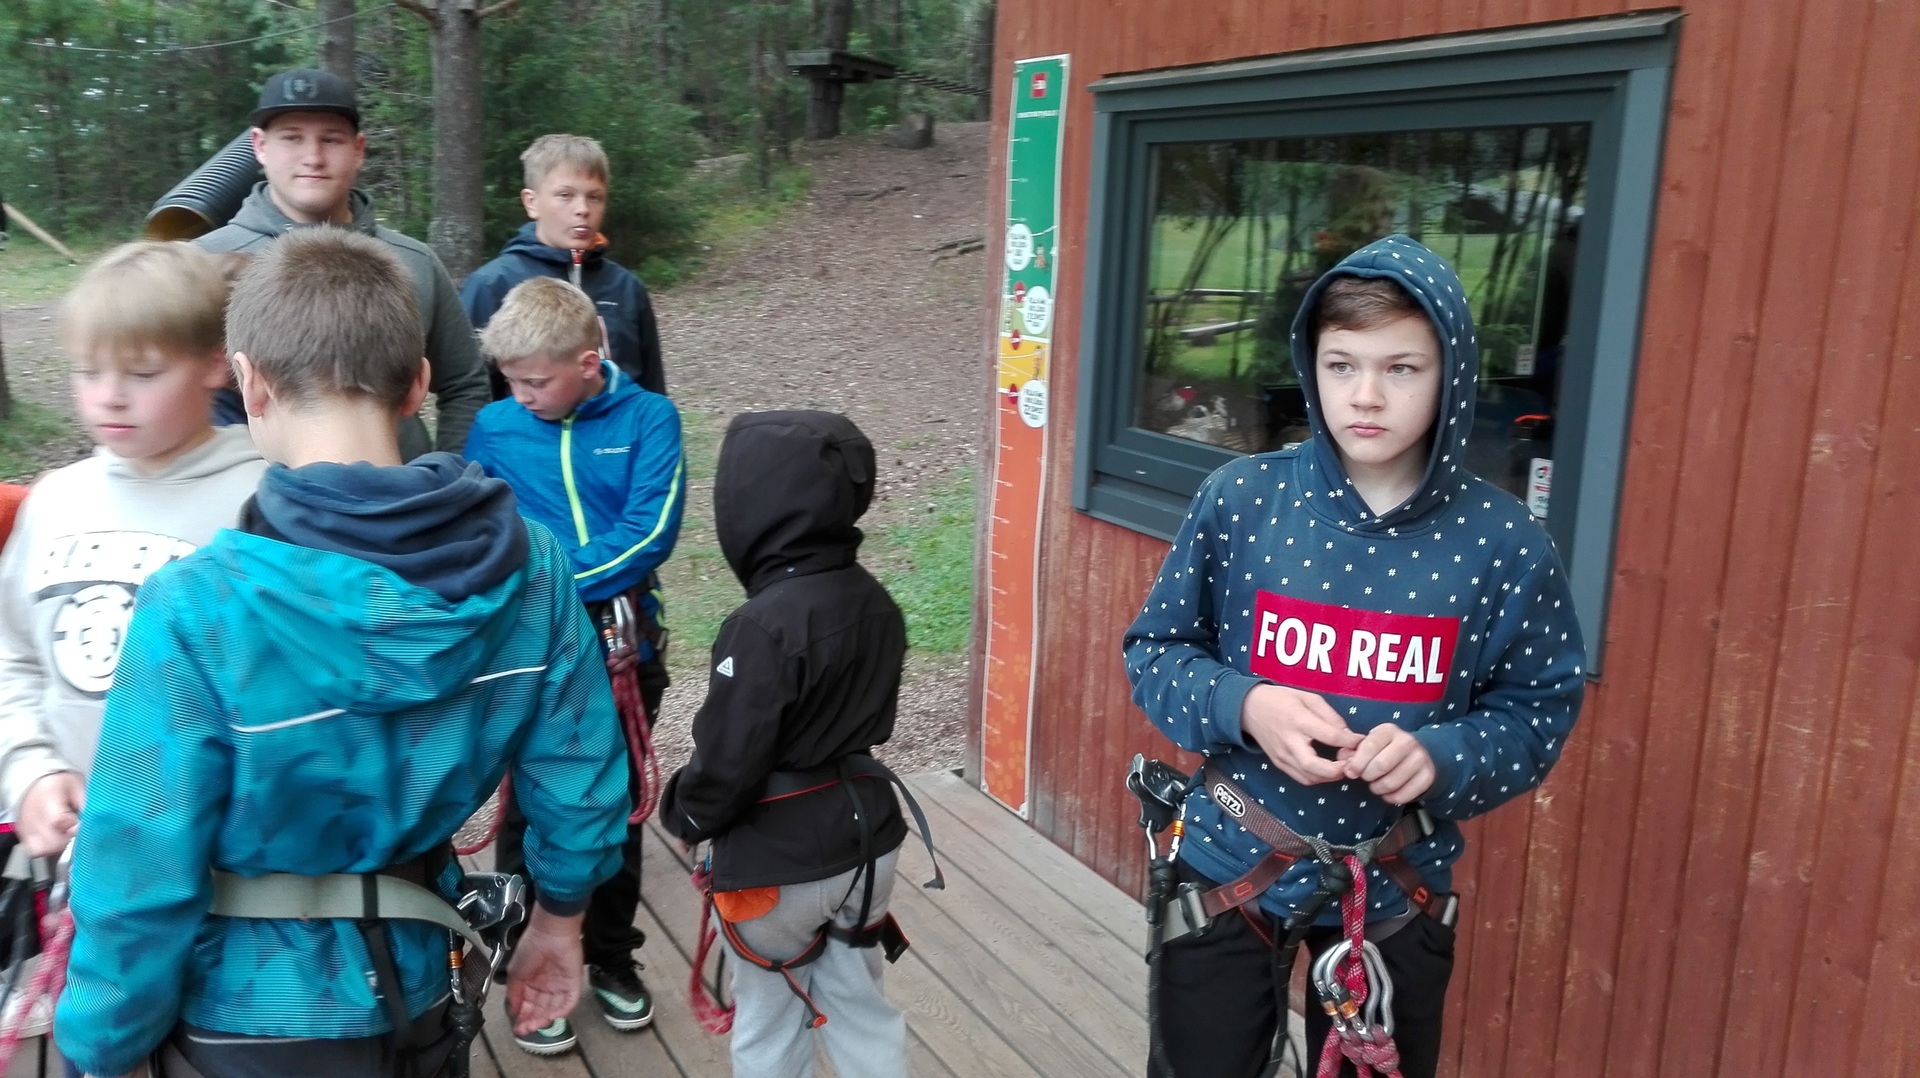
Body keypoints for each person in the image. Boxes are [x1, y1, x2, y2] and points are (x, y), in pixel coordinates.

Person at [52, 229, 631, 1078]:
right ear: (419, 383)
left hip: (247, 1021)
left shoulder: (198, 607)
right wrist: (559, 923)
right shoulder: (531, 564)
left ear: (248, 382)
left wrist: (97, 1047)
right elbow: (579, 775)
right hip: (424, 989)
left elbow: (139, 865)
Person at [1124, 234, 1587, 1078]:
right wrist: (1245, 704)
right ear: (1313, 367)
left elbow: (1537, 708)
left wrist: (1445, 755)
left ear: (1451, 375)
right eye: (1342, 366)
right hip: (1231, 860)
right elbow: (1156, 652)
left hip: (1395, 885)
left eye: (1401, 368)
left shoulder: (1503, 541)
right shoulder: (1243, 500)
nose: (1366, 395)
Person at [462, 276, 684, 1055]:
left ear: (589, 362)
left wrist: (552, 581)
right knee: (530, 808)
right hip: (527, 648)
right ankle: (527, 963)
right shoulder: (495, 426)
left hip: (618, 644)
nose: (521, 397)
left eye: (536, 381)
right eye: (511, 381)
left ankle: (611, 956)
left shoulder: (648, 418)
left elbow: (649, 530)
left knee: (612, 805)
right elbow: (479, 523)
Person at [661, 410, 917, 1078]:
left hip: (778, 866)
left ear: (750, 506)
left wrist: (687, 815)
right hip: (869, 845)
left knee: (770, 1018)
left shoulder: (761, 625)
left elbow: (729, 762)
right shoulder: (877, 602)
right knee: (861, 1003)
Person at [0, 242, 267, 862]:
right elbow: (12, 654)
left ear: (214, 364)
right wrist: (29, 769)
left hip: (217, 864)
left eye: (143, 374)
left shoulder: (261, 503)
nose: (110, 397)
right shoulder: (54, 501)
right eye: (88, 372)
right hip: (72, 860)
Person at [195, 67, 490, 460]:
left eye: (331, 139)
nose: (313, 158)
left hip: (400, 490)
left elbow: (465, 383)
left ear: (358, 149)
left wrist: (445, 468)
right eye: (292, 138)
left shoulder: (413, 263)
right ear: (260, 146)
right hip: (252, 494)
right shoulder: (202, 264)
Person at [461, 134, 666, 401]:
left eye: (594, 197)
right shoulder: (492, 285)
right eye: (565, 195)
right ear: (531, 202)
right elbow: (471, 392)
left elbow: (652, 390)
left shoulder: (626, 288)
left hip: (619, 427)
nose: (582, 209)